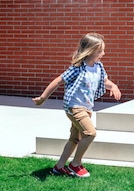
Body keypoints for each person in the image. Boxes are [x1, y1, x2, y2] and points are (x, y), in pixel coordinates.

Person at [33, 33, 121, 177]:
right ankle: (75, 164)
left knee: (75, 138)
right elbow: (58, 81)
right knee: (90, 133)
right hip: (74, 107)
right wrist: (43, 98)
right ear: (90, 51)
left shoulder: (99, 67)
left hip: (87, 107)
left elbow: (105, 81)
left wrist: (114, 86)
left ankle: (59, 167)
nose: (103, 53)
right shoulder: (78, 68)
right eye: (100, 51)